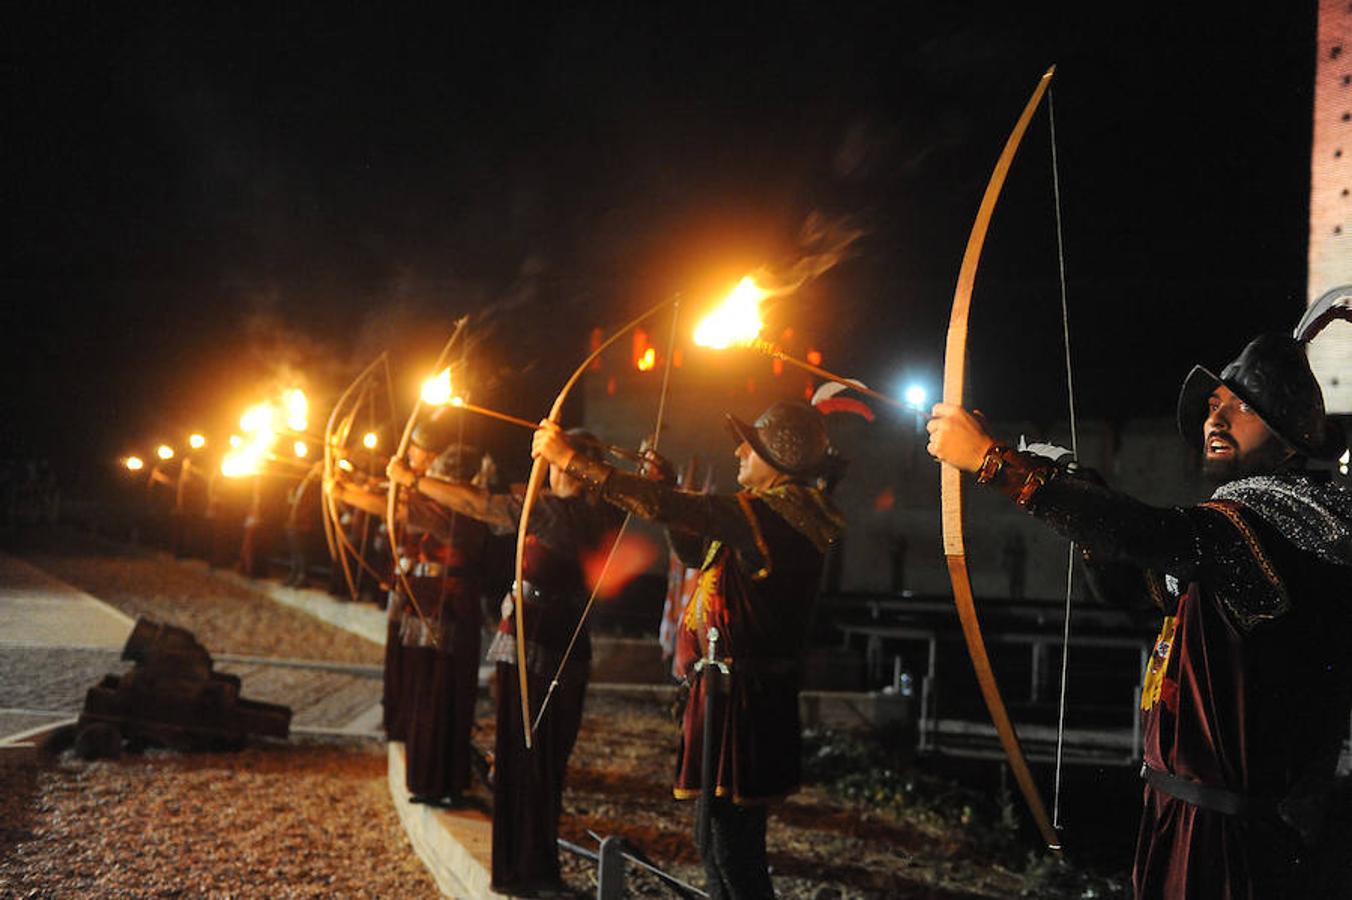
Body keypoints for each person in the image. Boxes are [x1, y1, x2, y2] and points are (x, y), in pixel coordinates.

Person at [926, 334, 1352, 899]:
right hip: (1194, 820)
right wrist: (1080, 491)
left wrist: (993, 464)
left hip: (1232, 844)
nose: (1217, 417)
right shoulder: (1241, 529)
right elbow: (1133, 583)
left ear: (1290, 436)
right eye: (1214, 404)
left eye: (1242, 406)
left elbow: (1152, 536)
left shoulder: (1277, 520)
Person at [532, 399, 847, 900]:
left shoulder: (780, 514)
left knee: (733, 849)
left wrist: (574, 462)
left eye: (754, 444)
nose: (741, 450)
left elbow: (683, 512)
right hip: (729, 695)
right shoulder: (764, 516)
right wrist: (665, 489)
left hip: (746, 700)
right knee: (713, 841)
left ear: (782, 457)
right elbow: (694, 548)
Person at [389, 428, 623, 897]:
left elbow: (480, 504)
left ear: (570, 468)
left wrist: (414, 479)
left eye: (554, 464)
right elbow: (484, 500)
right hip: (529, 650)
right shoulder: (567, 508)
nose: (546, 471)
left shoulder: (565, 513)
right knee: (523, 762)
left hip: (542, 654)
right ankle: (522, 868)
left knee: (533, 764)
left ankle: (529, 868)